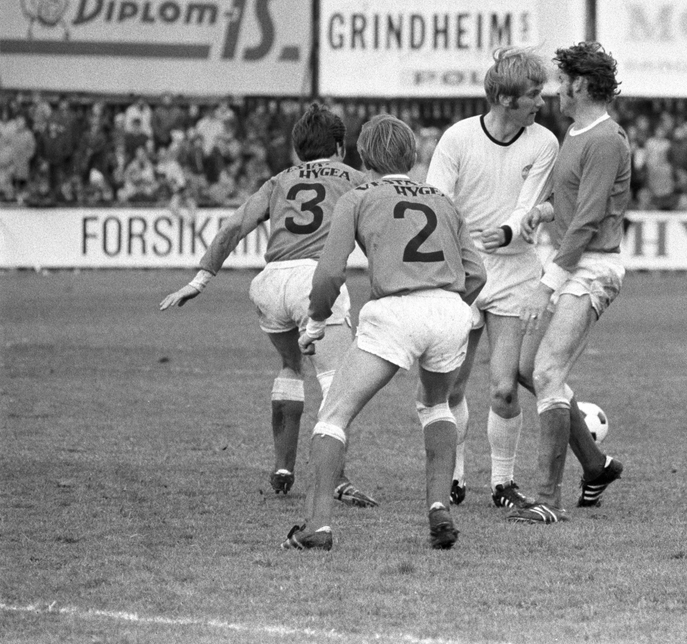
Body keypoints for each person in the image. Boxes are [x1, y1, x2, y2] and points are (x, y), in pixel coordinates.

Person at [424, 47, 617, 512]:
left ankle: (503, 483)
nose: (543, 100)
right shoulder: (458, 139)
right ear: (506, 99)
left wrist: (512, 230)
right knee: (452, 388)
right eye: (533, 93)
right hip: (461, 271)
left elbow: (531, 203)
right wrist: (461, 246)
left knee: (506, 386)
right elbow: (436, 201)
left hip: (515, 272)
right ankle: (456, 476)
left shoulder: (546, 141)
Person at [282, 114, 487, 551]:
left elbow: (329, 272)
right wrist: (449, 309)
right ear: (411, 156)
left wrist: (316, 321)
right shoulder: (443, 200)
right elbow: (478, 273)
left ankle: (317, 526)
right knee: (436, 407)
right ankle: (438, 506)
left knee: (333, 416)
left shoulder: (358, 197)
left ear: (364, 156)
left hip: (395, 311)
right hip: (451, 311)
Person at [159, 104, 376, 507]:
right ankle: (337, 478)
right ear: (340, 147)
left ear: (298, 149)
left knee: (291, 366)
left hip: (271, 281)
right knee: (337, 381)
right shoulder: (354, 179)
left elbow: (234, 226)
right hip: (314, 277)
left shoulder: (279, 180)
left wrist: (200, 279)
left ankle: (282, 468)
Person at [507, 41, 631, 524]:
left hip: (592, 267)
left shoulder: (605, 139)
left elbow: (589, 217)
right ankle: (596, 466)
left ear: (580, 85)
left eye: (560, 82)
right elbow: (571, 203)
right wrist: (540, 212)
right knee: (525, 368)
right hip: (569, 261)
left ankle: (547, 498)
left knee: (545, 372)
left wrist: (546, 283)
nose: (555, 92)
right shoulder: (579, 134)